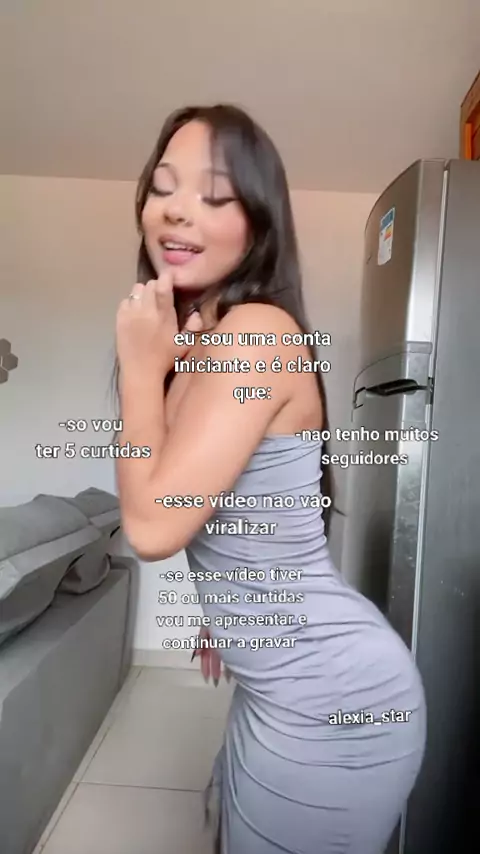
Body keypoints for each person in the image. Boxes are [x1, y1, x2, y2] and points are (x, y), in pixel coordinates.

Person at [113, 104, 426, 854]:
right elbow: (260, 508)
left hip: (335, 700)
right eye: (163, 187)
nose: (177, 210)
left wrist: (138, 368)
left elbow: (153, 526)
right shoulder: (206, 346)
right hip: (283, 686)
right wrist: (233, 613)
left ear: (257, 223)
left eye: (216, 195)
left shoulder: (256, 333)